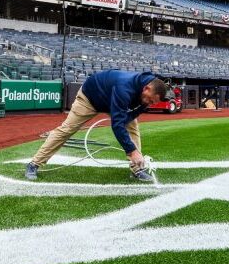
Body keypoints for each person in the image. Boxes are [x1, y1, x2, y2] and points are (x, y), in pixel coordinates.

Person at [25, 70, 168, 182]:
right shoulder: (125, 87)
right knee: (67, 129)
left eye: (152, 102)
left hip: (113, 101)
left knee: (133, 128)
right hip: (90, 98)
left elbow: (133, 114)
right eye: (149, 99)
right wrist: (132, 151)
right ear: (146, 88)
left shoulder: (148, 94)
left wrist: (127, 120)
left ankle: (138, 169)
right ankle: (34, 164)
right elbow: (117, 125)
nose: (149, 103)